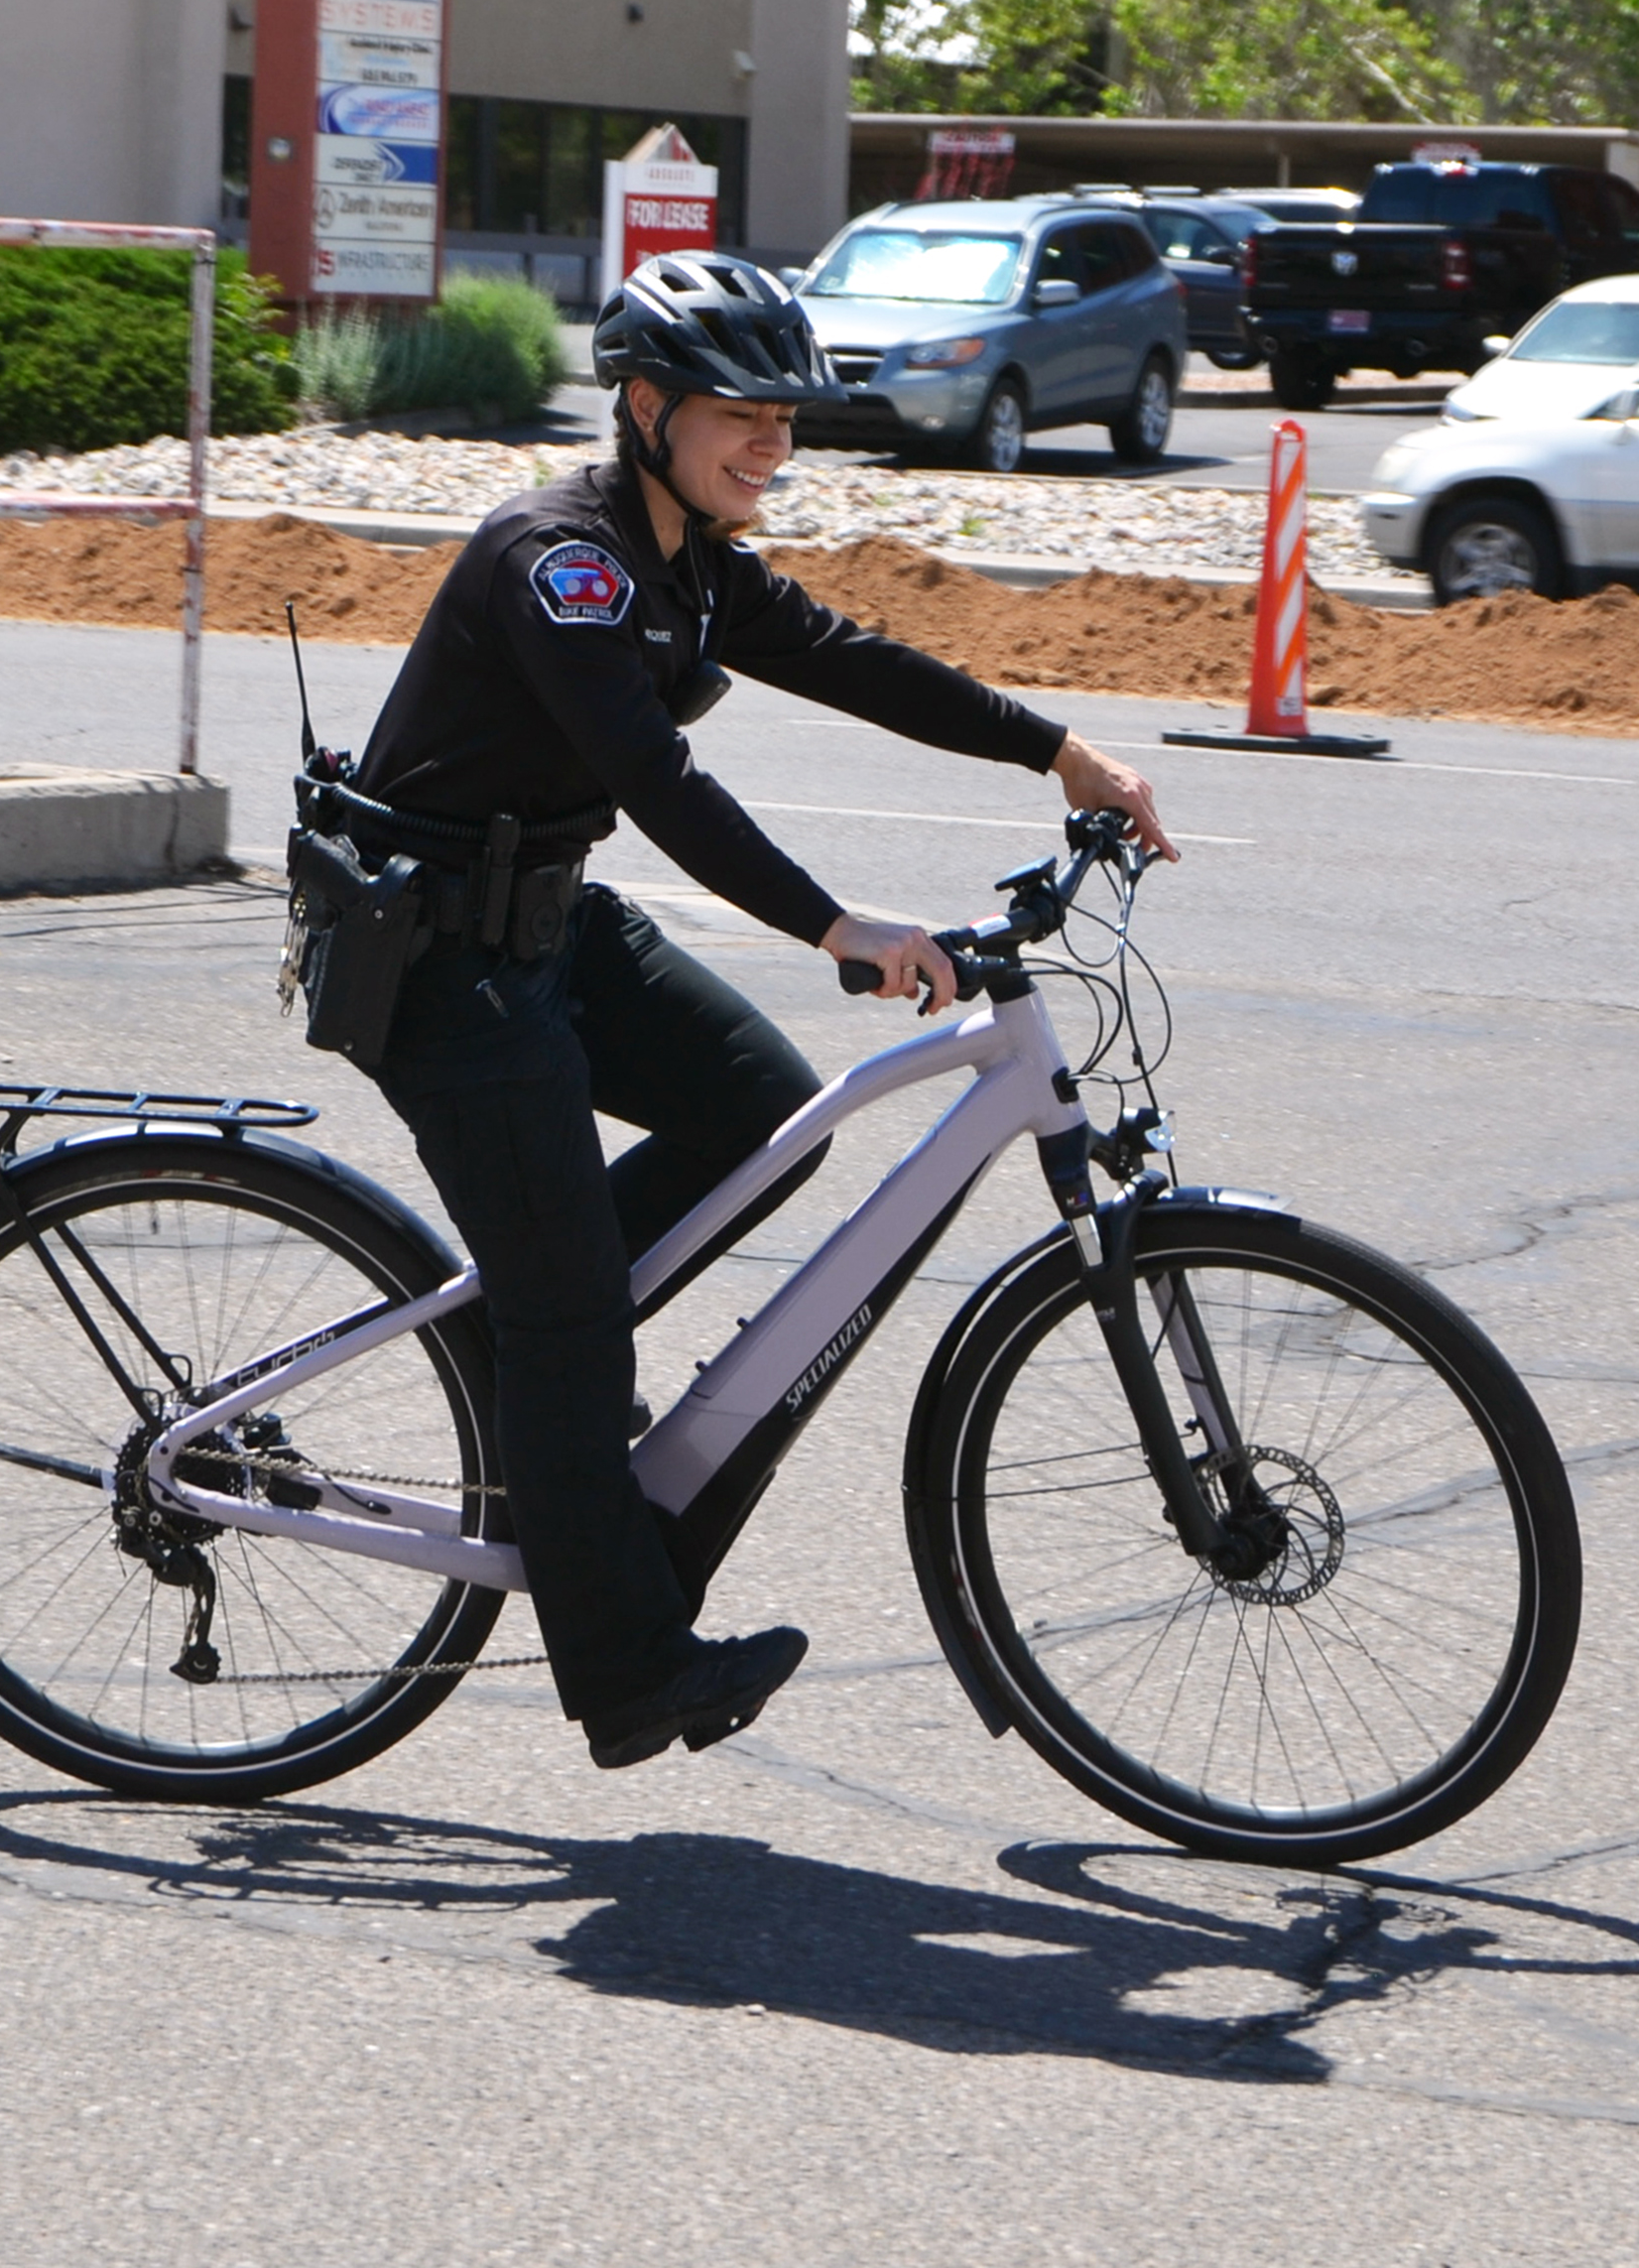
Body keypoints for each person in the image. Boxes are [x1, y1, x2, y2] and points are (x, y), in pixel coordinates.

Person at [337, 252, 1174, 1769]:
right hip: (437, 959)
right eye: (744, 417)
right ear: (648, 409)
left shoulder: (694, 559)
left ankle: (551, 1365)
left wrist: (1063, 754)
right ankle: (630, 1662)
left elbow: (854, 661)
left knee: (759, 1111)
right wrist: (835, 923)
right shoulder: (565, 560)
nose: (773, 446)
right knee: (572, 1321)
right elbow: (659, 781)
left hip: (545, 918)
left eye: (786, 419)